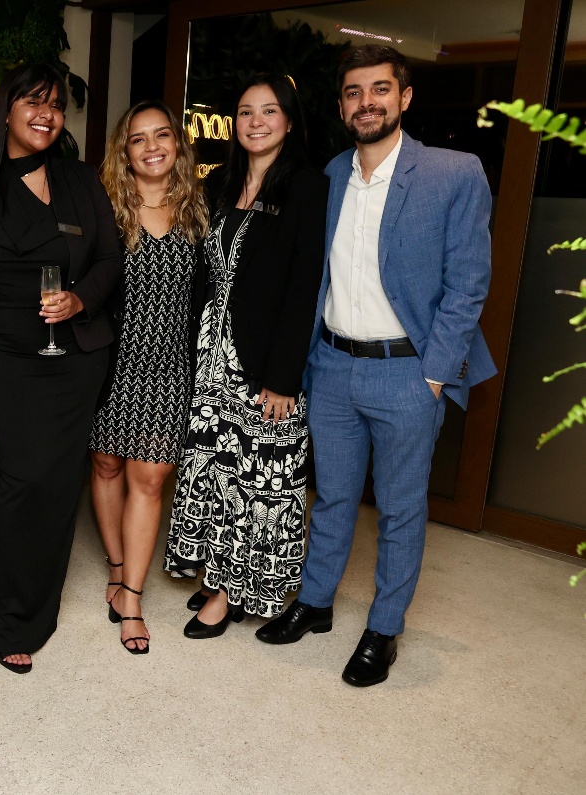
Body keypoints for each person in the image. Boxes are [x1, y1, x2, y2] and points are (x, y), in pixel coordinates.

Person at [257, 45, 494, 687]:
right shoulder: (330, 174)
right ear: (342, 107)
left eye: (380, 89)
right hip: (332, 366)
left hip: (407, 373)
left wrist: (435, 376)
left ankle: (384, 629)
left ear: (404, 97)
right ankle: (315, 602)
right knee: (332, 496)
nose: (368, 103)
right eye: (354, 92)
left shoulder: (453, 173)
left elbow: (468, 283)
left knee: (399, 509)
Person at [0, 63, 122, 673]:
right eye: (33, 101)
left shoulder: (80, 179)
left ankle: (38, 610)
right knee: (21, 477)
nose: (46, 114)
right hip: (3, 354)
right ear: (7, 109)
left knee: (58, 481)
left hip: (74, 355)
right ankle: (7, 617)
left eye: (54, 105)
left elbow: (109, 259)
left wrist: (80, 300)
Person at [164, 72, 327, 640]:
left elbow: (304, 286)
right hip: (212, 353)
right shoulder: (219, 183)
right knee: (214, 471)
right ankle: (216, 574)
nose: (256, 121)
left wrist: (283, 377)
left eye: (269, 110)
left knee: (256, 480)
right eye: (245, 112)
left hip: (263, 363)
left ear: (289, 121)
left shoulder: (306, 186)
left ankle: (231, 594)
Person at [88, 101, 208, 654]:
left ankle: (132, 596)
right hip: (110, 360)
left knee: (151, 476)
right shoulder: (105, 209)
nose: (152, 146)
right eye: (138, 139)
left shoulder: (199, 211)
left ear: (177, 145)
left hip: (170, 365)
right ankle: (116, 565)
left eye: (162, 135)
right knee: (107, 464)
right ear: (125, 151)